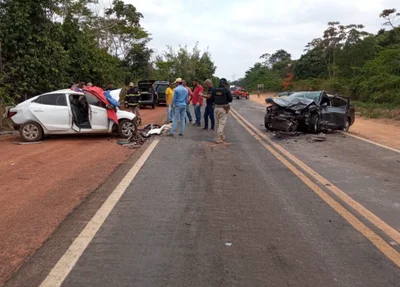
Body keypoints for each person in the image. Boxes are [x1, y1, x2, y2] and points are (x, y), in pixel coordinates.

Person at [211, 78, 232, 144]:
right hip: (223, 108)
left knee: (219, 123)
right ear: (225, 84)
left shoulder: (214, 90)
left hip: (216, 108)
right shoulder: (226, 90)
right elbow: (230, 100)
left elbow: (212, 99)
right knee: (222, 123)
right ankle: (218, 138)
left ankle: (222, 136)